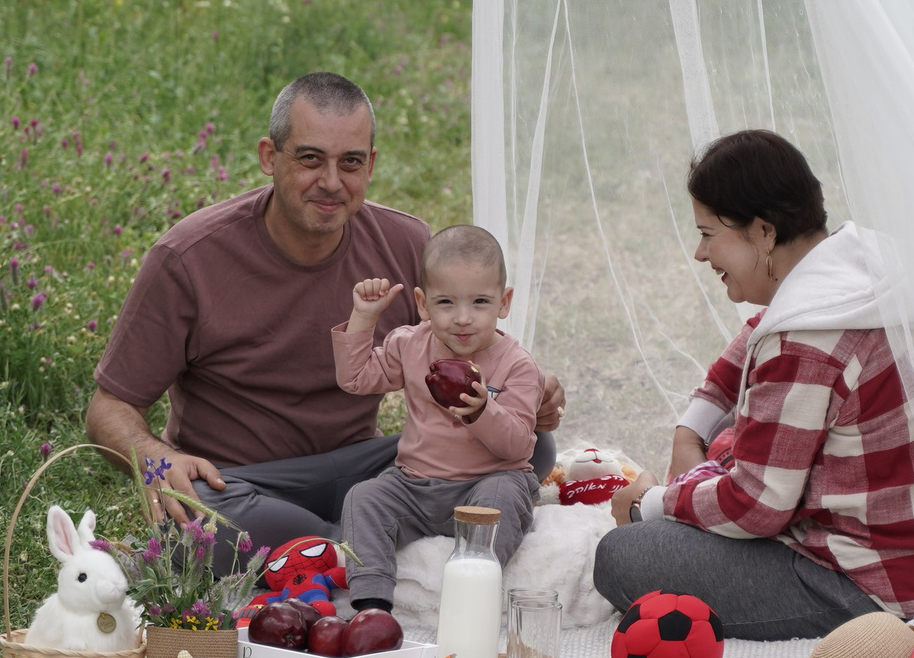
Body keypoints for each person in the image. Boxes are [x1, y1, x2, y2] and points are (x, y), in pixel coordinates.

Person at [84, 72, 564, 552]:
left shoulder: (406, 243)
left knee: (534, 445)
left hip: (365, 465)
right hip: (240, 483)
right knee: (195, 516)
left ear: (371, 164)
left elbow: (460, 347)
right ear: (269, 157)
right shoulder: (189, 258)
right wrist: (153, 458)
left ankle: (336, 545)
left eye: (350, 162)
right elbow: (109, 406)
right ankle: (362, 543)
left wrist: (517, 392)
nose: (331, 183)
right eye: (310, 159)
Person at [595, 129, 914, 641]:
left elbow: (758, 507)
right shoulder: (860, 263)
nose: (699, 253)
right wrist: (688, 431)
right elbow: (753, 336)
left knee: (621, 556)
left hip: (883, 580)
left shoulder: (803, 344)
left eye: (709, 233)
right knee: (723, 454)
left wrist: (650, 503)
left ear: (763, 231)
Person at [332, 224, 544, 611]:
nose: (463, 318)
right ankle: (372, 601)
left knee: (502, 499)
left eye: (480, 302)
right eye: (446, 303)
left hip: (487, 479)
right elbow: (355, 378)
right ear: (423, 304)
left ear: (504, 302)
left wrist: (482, 410)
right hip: (414, 484)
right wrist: (364, 318)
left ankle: (471, 593)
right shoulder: (409, 344)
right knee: (363, 497)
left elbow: (517, 444)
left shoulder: (517, 365)